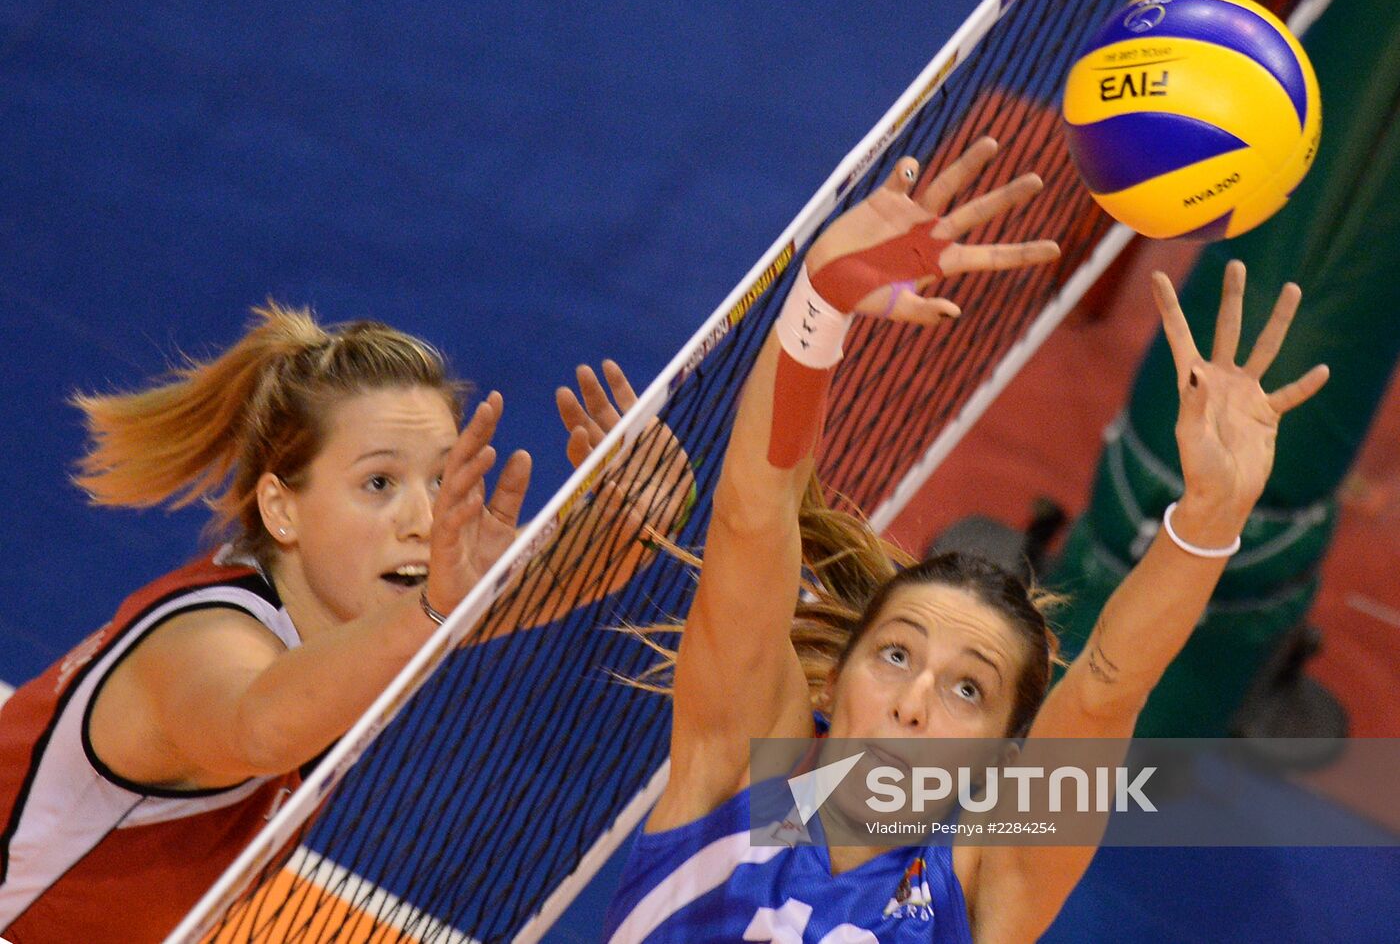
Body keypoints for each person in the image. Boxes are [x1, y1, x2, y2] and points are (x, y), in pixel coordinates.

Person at [602, 138, 1329, 942]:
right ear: (834, 681)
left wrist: (1211, 519)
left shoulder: (982, 886)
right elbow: (753, 512)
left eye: (968, 690)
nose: (913, 707)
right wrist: (821, 303)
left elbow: (1104, 692)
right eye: (895, 656)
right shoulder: (741, 775)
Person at [0, 305, 689, 943]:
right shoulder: (200, 644)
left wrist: (628, 527)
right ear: (281, 509)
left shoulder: (357, 620)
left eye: (441, 481)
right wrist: (442, 610)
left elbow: (523, 594)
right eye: (379, 484)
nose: (423, 522)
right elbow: (259, 725)